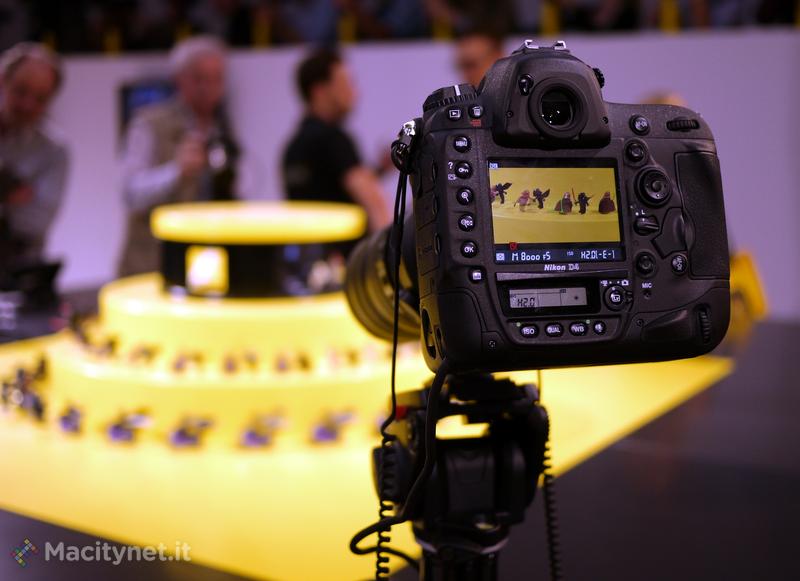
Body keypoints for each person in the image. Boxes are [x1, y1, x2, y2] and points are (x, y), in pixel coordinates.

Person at [118, 35, 241, 277]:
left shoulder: (223, 130)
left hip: (205, 265)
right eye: (200, 78)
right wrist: (176, 172)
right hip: (152, 265)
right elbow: (130, 192)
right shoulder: (149, 123)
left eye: (217, 79)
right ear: (179, 79)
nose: (209, 88)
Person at [282, 48, 390, 235]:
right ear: (319, 91)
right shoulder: (333, 139)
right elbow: (373, 202)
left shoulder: (292, 149)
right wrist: (390, 248)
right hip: (344, 251)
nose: (354, 93)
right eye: (345, 83)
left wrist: (377, 171)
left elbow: (327, 190)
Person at [0, 42, 68, 271]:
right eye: (21, 90)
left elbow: (34, 222)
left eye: (40, 98)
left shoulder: (54, 150)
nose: (28, 104)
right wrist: (10, 192)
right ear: (3, 80)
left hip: (16, 270)